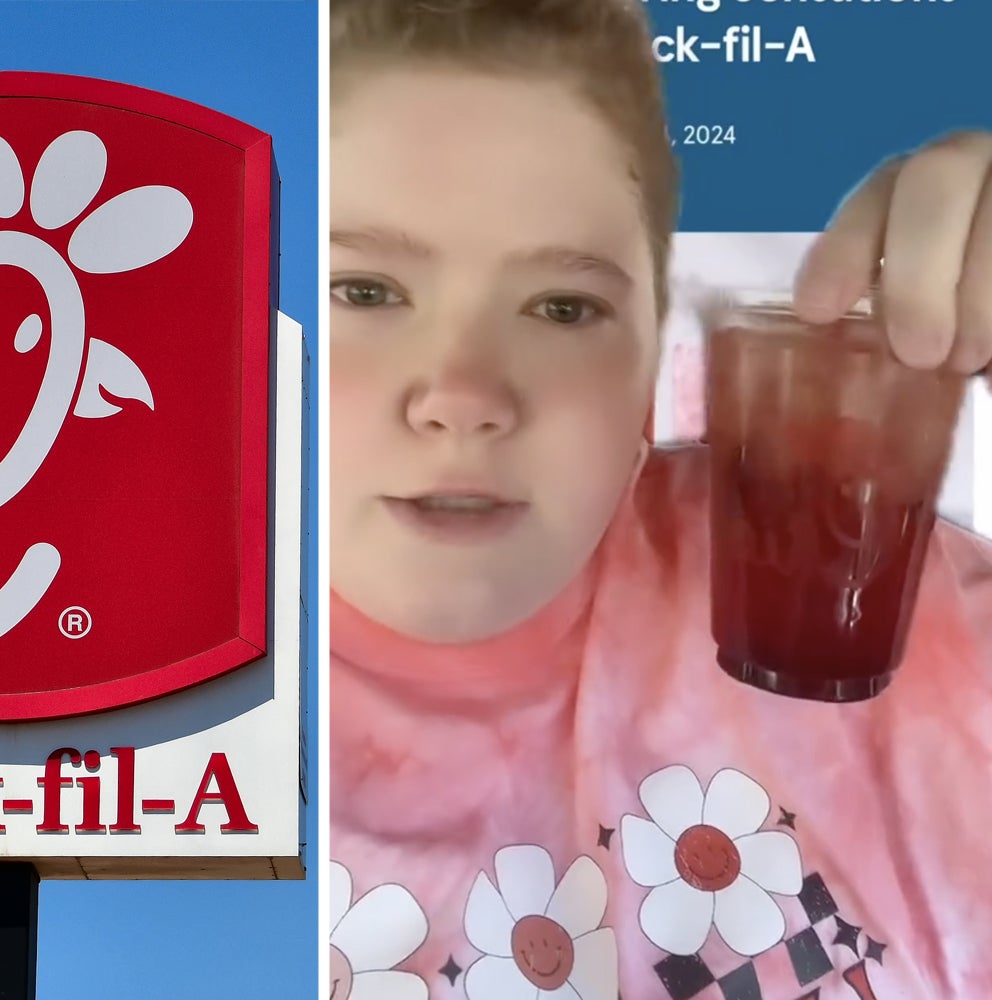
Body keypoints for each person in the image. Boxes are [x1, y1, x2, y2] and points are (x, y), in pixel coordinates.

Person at [329, 1, 992, 997]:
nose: (459, 398)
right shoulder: (97, 736)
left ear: (647, 381)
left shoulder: (862, 589)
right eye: (363, 290)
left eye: (562, 308)